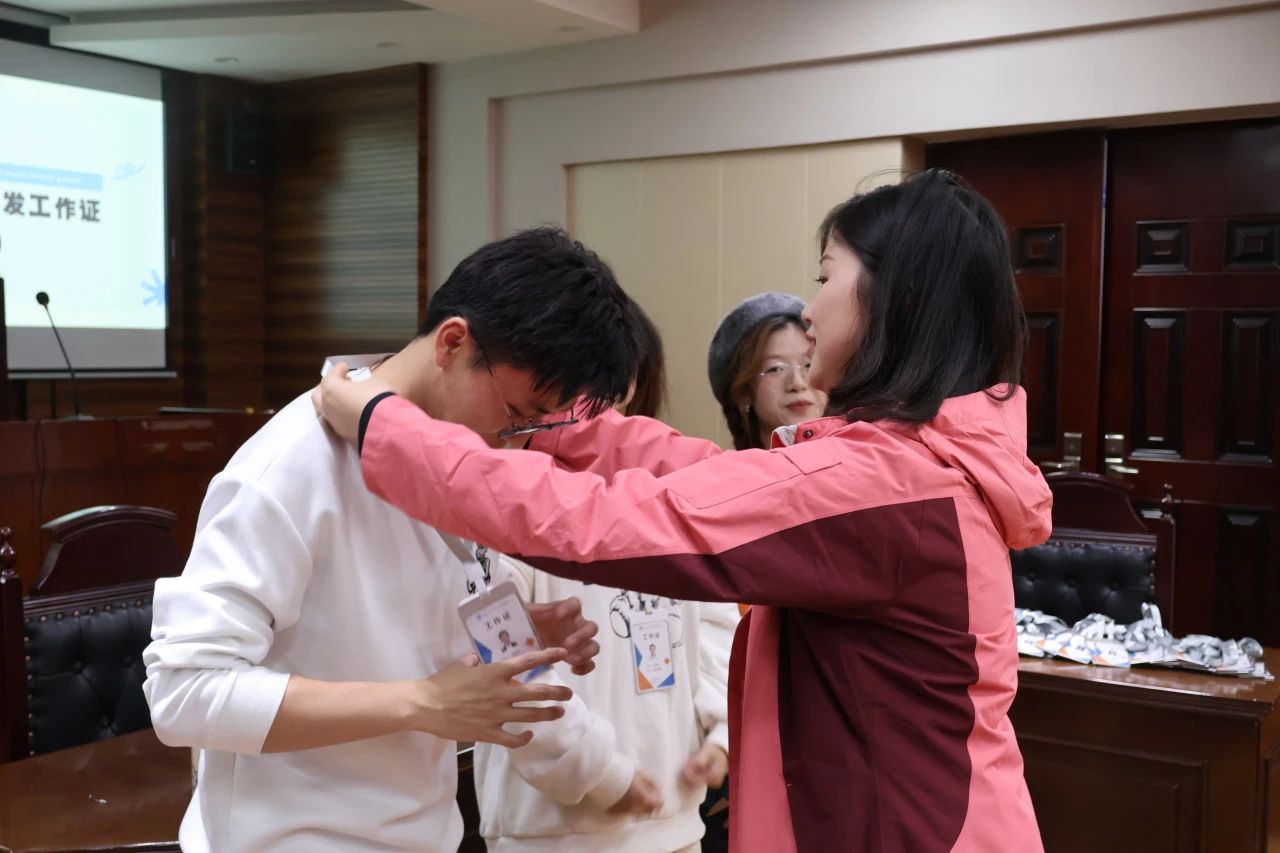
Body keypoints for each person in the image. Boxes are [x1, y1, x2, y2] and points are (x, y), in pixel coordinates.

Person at [315, 170, 1051, 852]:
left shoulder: (887, 487)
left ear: (900, 299)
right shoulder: (907, 467)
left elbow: (605, 522)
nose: (809, 307)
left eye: (827, 276)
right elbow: (698, 473)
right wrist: (539, 422)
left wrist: (385, 423)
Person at [142, 227, 647, 852]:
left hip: (422, 832)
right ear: (453, 342)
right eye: (517, 413)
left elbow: (390, 626)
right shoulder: (292, 466)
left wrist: (514, 630)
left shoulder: (454, 463)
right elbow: (184, 694)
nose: (513, 440)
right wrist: (421, 703)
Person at [471, 302, 739, 853]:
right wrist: (601, 774)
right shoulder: (510, 501)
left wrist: (723, 735)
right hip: (546, 834)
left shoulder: (671, 499)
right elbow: (505, 664)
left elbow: (718, 634)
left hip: (673, 825)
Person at [707, 292, 827, 450]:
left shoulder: (855, 460)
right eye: (775, 368)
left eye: (809, 365)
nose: (798, 383)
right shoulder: (728, 466)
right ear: (744, 392)